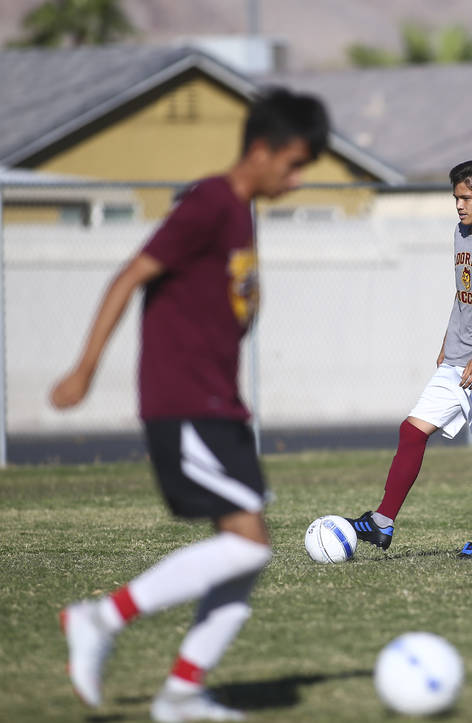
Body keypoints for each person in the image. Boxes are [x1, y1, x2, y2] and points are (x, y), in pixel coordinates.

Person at [50, 87, 329, 722]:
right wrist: (85, 369)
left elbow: (227, 301)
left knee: (246, 556)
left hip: (219, 405)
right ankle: (100, 617)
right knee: (250, 545)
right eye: (293, 163)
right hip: (186, 404)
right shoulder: (208, 201)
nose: (298, 177)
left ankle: (181, 693)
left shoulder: (242, 212)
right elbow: (129, 276)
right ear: (259, 150)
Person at [345, 159, 472, 559]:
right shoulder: (461, 233)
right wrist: (449, 340)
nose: (459, 205)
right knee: (411, 431)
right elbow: (464, 292)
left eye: (466, 198)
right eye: (455, 198)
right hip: (459, 355)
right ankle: (382, 522)